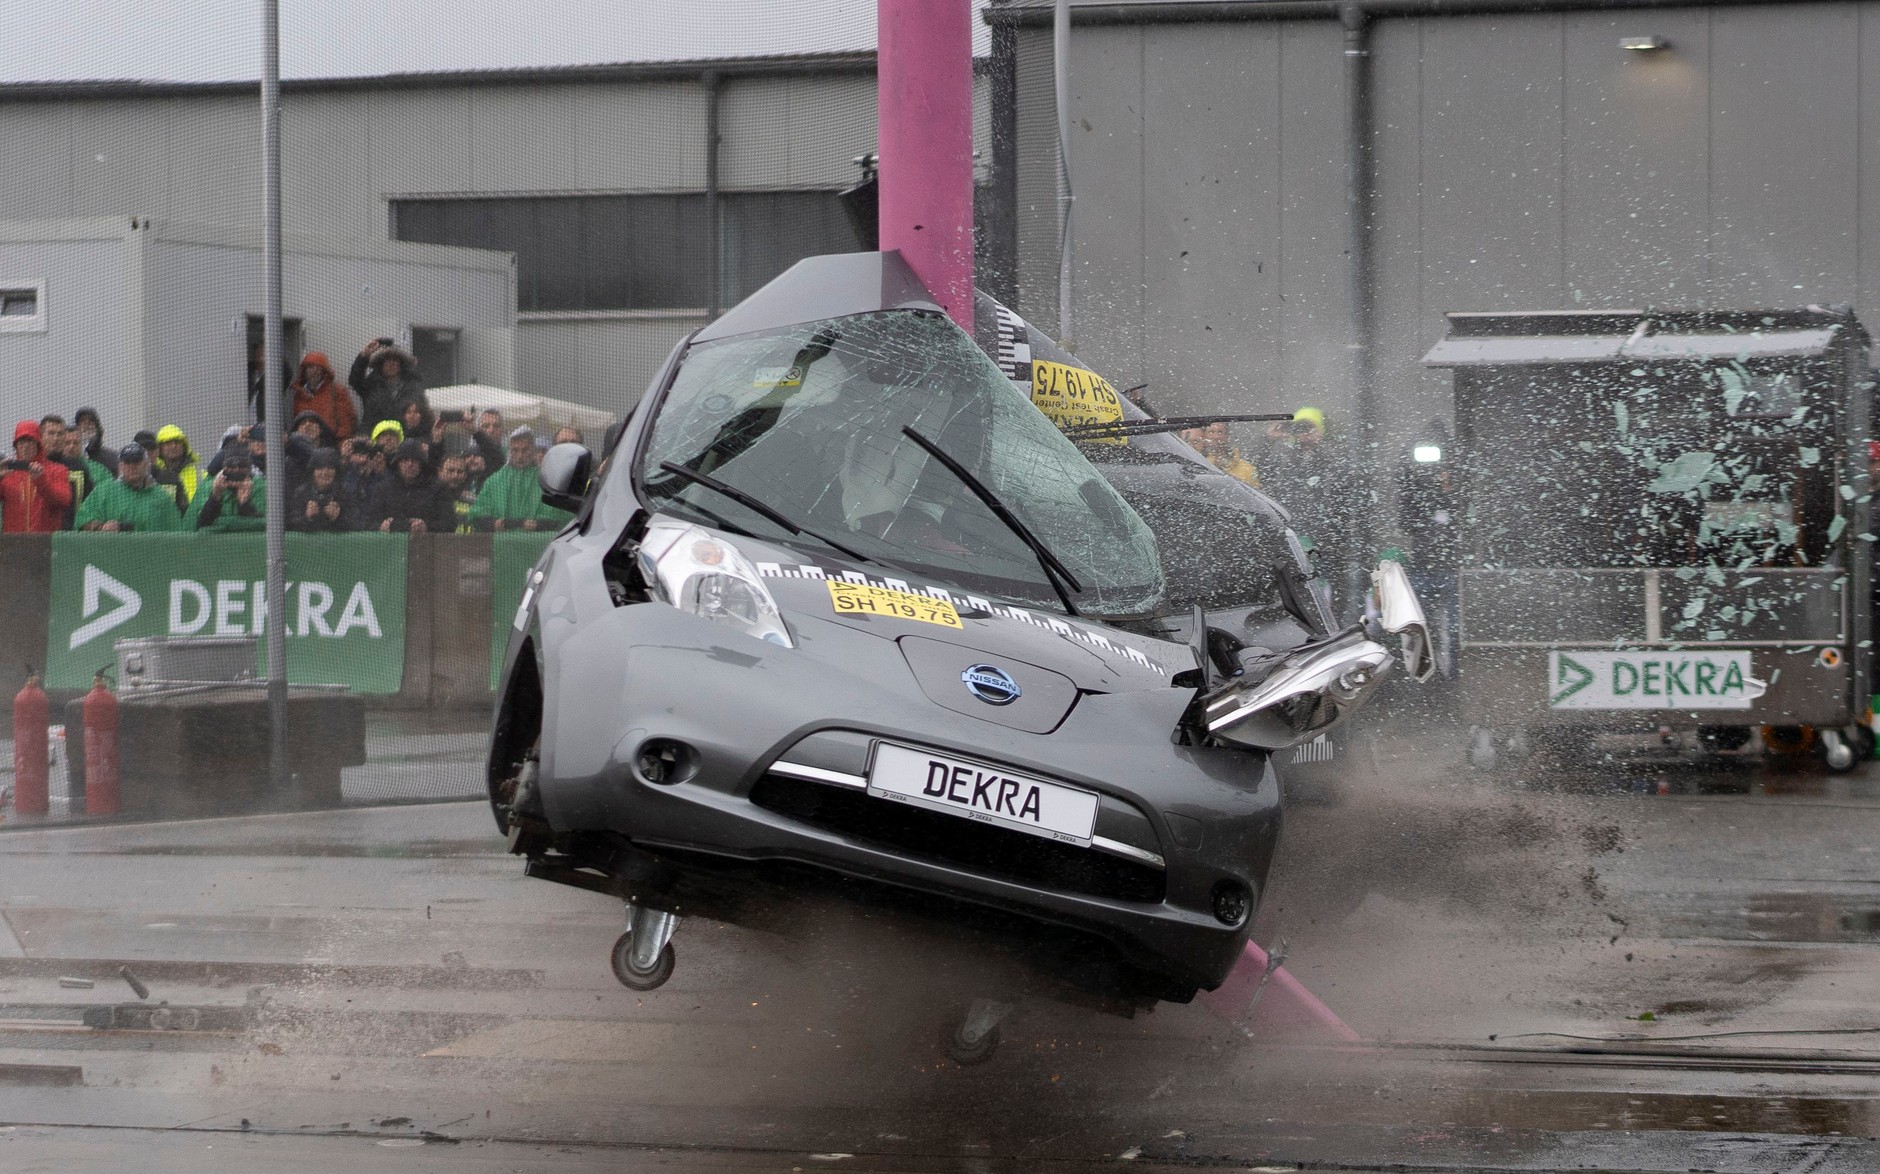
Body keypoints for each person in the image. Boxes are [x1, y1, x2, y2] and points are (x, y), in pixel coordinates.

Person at [1397, 420, 1460, 680]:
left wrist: (1449, 489)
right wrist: (1421, 487)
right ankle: (1419, 680)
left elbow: (1466, 516)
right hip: (1423, 563)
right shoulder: (1414, 480)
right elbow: (1405, 520)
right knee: (1416, 627)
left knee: (1452, 629)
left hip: (1453, 567)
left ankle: (1451, 679)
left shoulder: (1459, 474)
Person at [470, 426, 573, 532]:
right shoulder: (495, 481)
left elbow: (561, 517)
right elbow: (477, 515)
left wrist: (537, 525)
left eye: (525, 450)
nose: (520, 456)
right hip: (502, 544)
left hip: (538, 544)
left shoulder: (549, 481)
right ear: (509, 450)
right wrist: (495, 524)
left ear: (533, 450)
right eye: (515, 450)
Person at [75, 444, 184, 533]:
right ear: (121, 466)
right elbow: (82, 521)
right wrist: (101, 527)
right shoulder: (104, 491)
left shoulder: (161, 497)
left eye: (136, 462)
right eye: (127, 462)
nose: (132, 466)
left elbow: (176, 534)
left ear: (146, 465)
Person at [1, 421, 73, 533]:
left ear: (38, 444)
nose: (25, 446)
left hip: (46, 542)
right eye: (21, 442)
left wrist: (41, 481)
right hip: (13, 542)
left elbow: (63, 499)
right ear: (16, 446)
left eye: (30, 441)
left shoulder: (57, 470)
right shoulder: (8, 473)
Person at [350, 339, 428, 431]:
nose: (391, 364)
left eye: (395, 360)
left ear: (401, 364)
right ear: (380, 364)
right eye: (387, 360)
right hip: (374, 439)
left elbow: (424, 416)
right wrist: (364, 356)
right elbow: (354, 380)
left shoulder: (414, 386)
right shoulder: (371, 385)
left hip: (405, 439)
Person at [185, 445, 267, 532]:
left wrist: (245, 505)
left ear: (249, 469)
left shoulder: (261, 487)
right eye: (231, 466)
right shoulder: (208, 487)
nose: (236, 470)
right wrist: (215, 497)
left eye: (242, 466)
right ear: (222, 468)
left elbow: (265, 525)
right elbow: (200, 525)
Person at [289, 351, 358, 440]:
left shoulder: (337, 392)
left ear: (324, 371)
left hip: (332, 444)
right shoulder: (299, 396)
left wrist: (337, 442)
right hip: (306, 445)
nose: (314, 371)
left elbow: (346, 422)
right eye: (310, 367)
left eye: (318, 368)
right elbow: (297, 423)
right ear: (304, 371)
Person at [38, 415, 90, 525]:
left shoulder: (78, 467)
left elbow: (89, 503)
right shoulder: (35, 466)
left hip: (69, 535)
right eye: (51, 433)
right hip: (39, 533)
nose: (56, 438)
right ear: (41, 436)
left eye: (60, 434)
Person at [288, 448, 350, 533]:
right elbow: (290, 524)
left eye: (330, 468)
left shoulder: (344, 494)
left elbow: (356, 523)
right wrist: (307, 517)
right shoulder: (301, 493)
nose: (325, 473)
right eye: (320, 468)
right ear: (312, 471)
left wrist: (337, 518)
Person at [1184, 420, 1259, 486]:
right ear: (1204, 436)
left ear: (1227, 436)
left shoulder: (1247, 469)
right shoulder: (1196, 463)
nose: (1216, 437)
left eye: (1220, 432)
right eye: (1211, 432)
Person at [150, 424, 202, 514]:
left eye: (177, 442)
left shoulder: (200, 475)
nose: (173, 446)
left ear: (184, 446)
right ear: (159, 448)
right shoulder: (153, 475)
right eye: (168, 443)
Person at [435, 453, 478, 532]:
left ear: (465, 475)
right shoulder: (431, 498)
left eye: (460, 472)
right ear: (440, 472)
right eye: (450, 471)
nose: (455, 476)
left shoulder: (474, 500)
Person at [72, 408, 117, 478]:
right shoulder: (70, 457)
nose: (87, 424)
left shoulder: (112, 458)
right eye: (82, 420)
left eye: (91, 420)